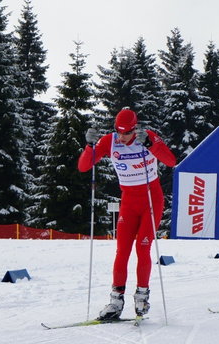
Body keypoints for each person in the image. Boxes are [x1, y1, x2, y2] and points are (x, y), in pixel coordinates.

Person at [78, 108, 176, 319]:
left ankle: (142, 297)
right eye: (118, 132)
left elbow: (170, 161)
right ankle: (116, 301)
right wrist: (89, 146)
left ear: (134, 129)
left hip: (151, 200)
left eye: (126, 133)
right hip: (129, 202)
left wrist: (151, 145)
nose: (122, 137)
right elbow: (84, 166)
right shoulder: (109, 141)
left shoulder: (147, 137)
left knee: (143, 247)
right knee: (122, 251)